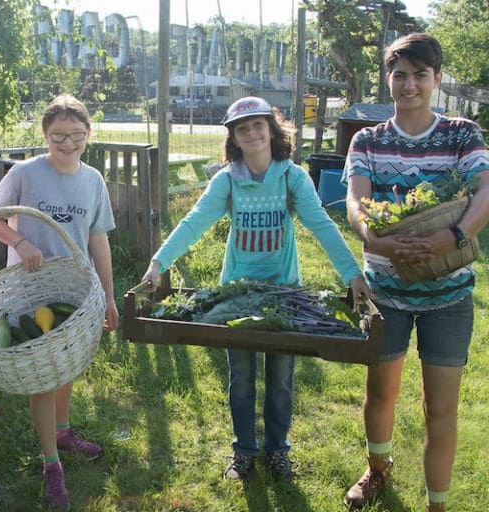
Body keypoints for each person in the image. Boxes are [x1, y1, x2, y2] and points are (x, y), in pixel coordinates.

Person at [142, 96, 371, 482]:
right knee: (242, 377)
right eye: (242, 128)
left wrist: (352, 274)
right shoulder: (228, 179)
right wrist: (158, 262)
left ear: (272, 129)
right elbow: (195, 222)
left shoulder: (291, 176)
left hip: (284, 295)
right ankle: (243, 451)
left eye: (258, 125)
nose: (251, 133)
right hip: (236, 296)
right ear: (234, 136)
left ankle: (278, 450)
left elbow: (321, 225)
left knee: (281, 378)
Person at [342, 33, 489, 512]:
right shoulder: (368, 139)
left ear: (436, 79)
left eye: (419, 75)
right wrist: (375, 238)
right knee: (380, 395)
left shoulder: (461, 133)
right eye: (399, 75)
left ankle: (437, 505)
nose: (409, 85)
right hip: (386, 290)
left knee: (440, 409)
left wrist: (457, 236)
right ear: (388, 79)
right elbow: (355, 202)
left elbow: (485, 190)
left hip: (448, 296)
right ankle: (378, 469)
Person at [0, 93, 119, 511]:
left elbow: (98, 239)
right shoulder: (25, 173)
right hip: (30, 293)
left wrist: (108, 297)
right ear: (44, 135)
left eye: (76, 136)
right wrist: (20, 240)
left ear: (88, 135)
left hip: (75, 293)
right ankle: (51, 465)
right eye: (58, 136)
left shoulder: (93, 180)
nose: (67, 144)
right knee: (42, 376)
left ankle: (62, 431)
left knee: (65, 367)